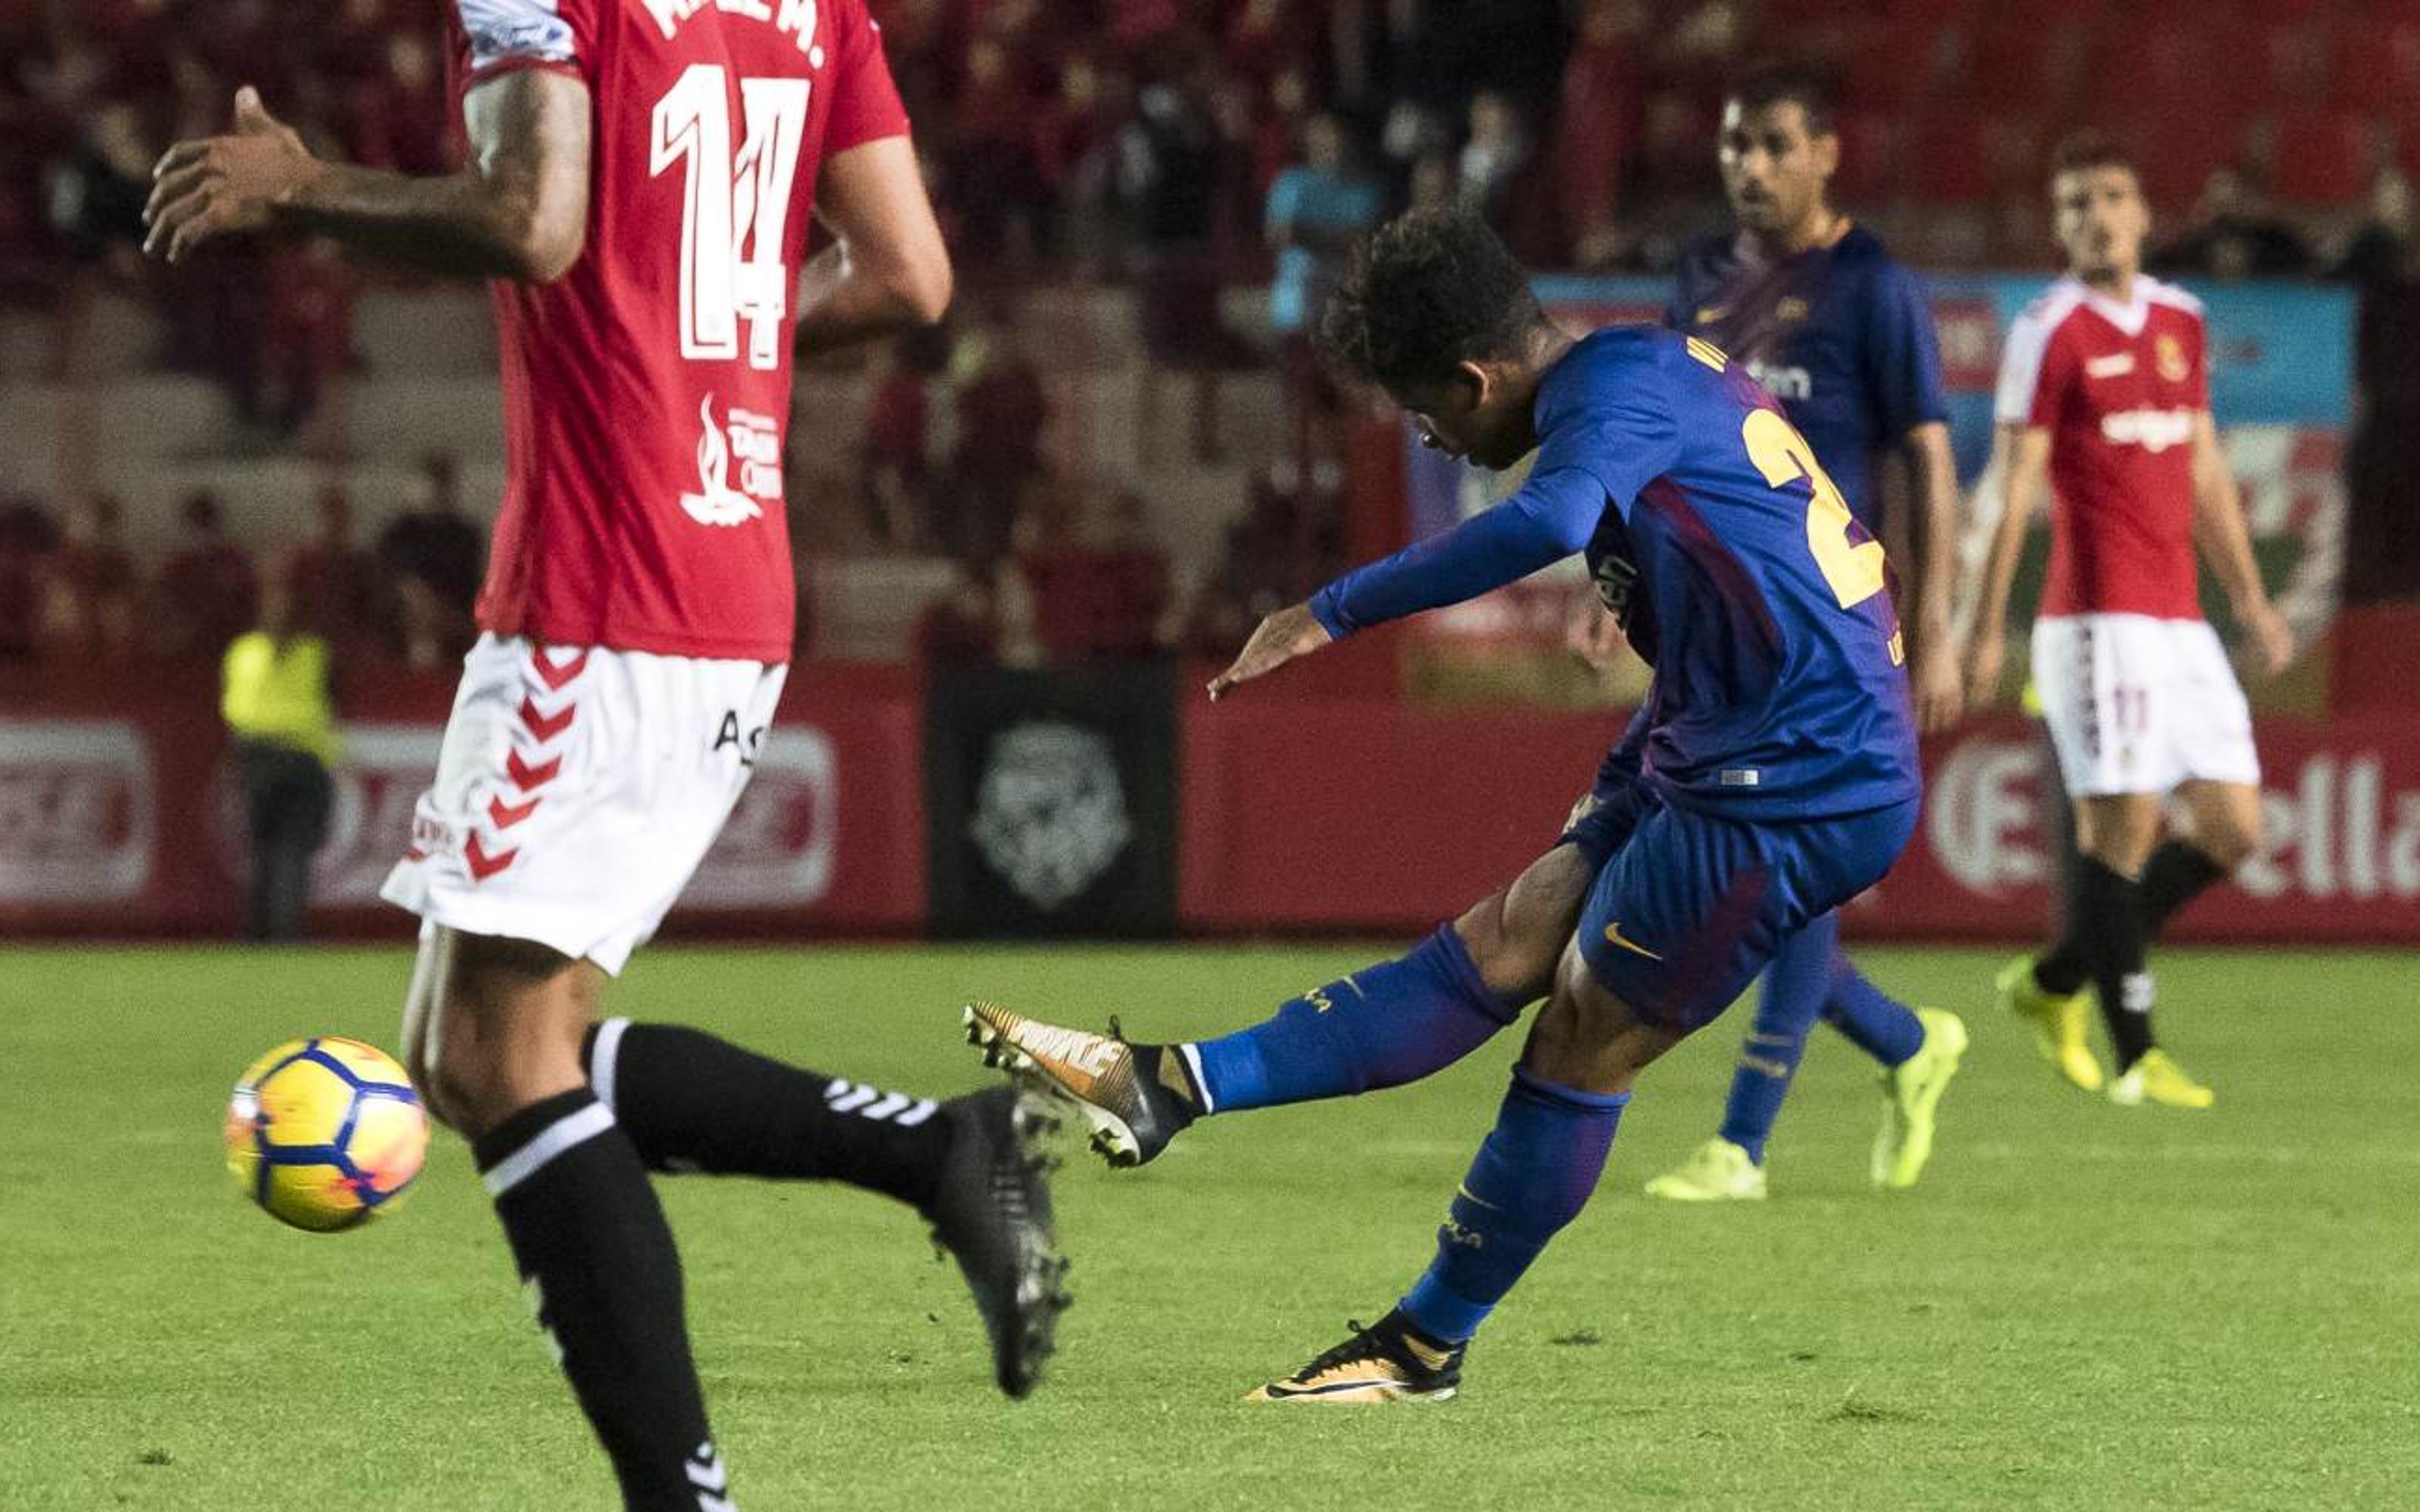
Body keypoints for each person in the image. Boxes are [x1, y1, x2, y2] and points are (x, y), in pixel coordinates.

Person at [143, 6, 1068, 1507]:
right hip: (732, 573)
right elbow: (910, 271)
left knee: (484, 1057)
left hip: (605, 588)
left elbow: (533, 219)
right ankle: (941, 1151)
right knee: (515, 1047)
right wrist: (698, 352)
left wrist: (299, 187)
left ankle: (688, 1485)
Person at [970, 208, 1920, 1401]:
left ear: (1479, 378)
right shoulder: (1645, 364)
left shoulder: (1609, 394)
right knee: (1507, 937)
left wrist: (1332, 608)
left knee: (1580, 1036)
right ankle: (1164, 1086)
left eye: (1430, 412)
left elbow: (1549, 520)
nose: (1433, 437)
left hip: (1795, 771)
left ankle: (1423, 1345)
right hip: (1718, 718)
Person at [1640, 62, 1966, 1202]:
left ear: (1828, 152)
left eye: (1776, 144)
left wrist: (1942, 621)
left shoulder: (1872, 288)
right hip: (1717, 631)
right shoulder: (1701, 276)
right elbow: (1664, 444)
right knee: (1736, 881)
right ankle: (1907, 1045)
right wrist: (1613, 590)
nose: (1752, 167)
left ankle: (1742, 1145)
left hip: (1832, 632)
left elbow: (1926, 457)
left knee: (1783, 881)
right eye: (1737, 146)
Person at [1963, 132, 2293, 1109]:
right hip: (2094, 621)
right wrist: (1986, 627)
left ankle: (2055, 979)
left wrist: (2251, 601)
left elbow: (2203, 470)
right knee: (2128, 830)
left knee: (2236, 828)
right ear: (2061, 227)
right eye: (2076, 204)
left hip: (2181, 619)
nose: (2097, 217)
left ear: (2145, 214)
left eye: (2111, 197)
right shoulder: (2048, 331)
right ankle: (2137, 1052)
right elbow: (2015, 482)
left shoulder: (2179, 323)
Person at [222, 570, 340, 943]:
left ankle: (266, 934)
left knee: (271, 851)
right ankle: (279, 933)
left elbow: (234, 706)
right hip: (290, 757)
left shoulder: (247, 651)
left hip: (272, 756)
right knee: (284, 851)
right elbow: (333, 701)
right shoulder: (313, 652)